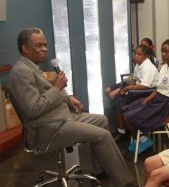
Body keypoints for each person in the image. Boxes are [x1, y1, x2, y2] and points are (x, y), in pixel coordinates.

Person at [9, 27, 135, 187]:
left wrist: (69, 98)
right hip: (48, 128)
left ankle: (99, 170)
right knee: (103, 135)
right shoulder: (22, 72)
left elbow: (45, 95)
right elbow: (33, 108)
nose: (44, 49)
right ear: (25, 48)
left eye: (45, 45)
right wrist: (57, 88)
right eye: (39, 46)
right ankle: (125, 182)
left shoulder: (32, 67)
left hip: (61, 117)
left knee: (102, 120)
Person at [122, 39, 169, 153]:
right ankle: (142, 139)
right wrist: (147, 100)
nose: (163, 54)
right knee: (126, 109)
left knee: (128, 117)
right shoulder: (164, 67)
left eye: (166, 52)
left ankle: (142, 139)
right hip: (157, 98)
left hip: (164, 104)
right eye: (162, 51)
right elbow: (158, 89)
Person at [108, 45, 158, 141]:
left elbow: (145, 86)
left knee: (120, 104)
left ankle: (131, 134)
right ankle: (121, 130)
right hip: (137, 91)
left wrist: (127, 89)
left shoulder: (148, 67)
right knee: (116, 100)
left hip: (147, 93)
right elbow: (134, 79)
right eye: (135, 54)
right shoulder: (138, 64)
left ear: (146, 56)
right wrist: (129, 87)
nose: (136, 56)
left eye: (139, 54)